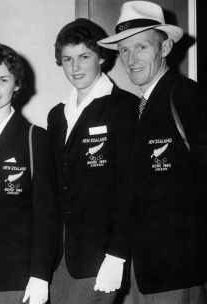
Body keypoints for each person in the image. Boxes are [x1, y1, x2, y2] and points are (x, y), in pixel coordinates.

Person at [98, 1, 207, 303]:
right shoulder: (134, 108)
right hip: (142, 271)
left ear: (164, 48)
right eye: (123, 50)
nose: (130, 59)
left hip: (180, 269)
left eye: (140, 47)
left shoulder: (187, 98)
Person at [47, 18, 138, 304]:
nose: (75, 67)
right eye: (67, 59)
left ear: (101, 56)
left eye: (84, 56)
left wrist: (117, 255)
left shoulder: (123, 107)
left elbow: (129, 187)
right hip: (59, 253)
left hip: (100, 252)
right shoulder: (57, 115)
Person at [0, 44, 58, 304]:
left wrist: (40, 276)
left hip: (13, 276)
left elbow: (47, 215)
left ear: (16, 85)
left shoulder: (34, 138)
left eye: (3, 80)